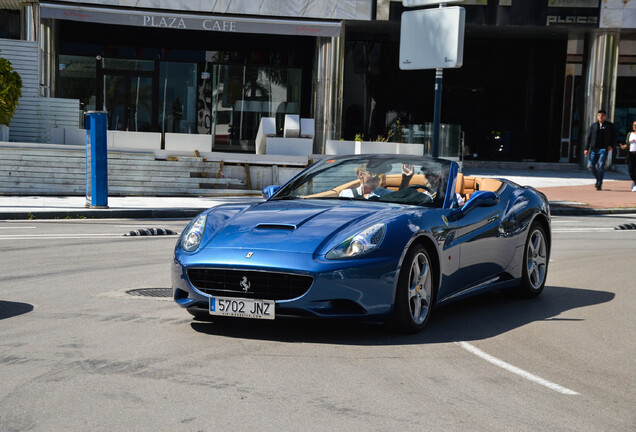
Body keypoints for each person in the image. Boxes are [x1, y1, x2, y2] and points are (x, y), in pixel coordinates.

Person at [339, 162, 414, 199]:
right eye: (374, 174)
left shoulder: (386, 194)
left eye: (380, 175)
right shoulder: (345, 194)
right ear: (361, 174)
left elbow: (399, 201)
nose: (378, 177)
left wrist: (406, 179)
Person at [584, 110, 618, 190]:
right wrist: (586, 148)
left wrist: (612, 145)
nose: (600, 117)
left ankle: (599, 183)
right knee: (591, 165)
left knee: (601, 165)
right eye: (599, 115)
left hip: (603, 149)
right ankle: (598, 179)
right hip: (593, 149)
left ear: (605, 116)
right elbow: (589, 137)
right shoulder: (594, 125)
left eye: (602, 115)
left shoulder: (610, 126)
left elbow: (615, 136)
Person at [620, 120, 636, 192]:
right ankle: (634, 181)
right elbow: (627, 144)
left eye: (635, 125)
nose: (634, 127)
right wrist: (624, 146)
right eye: (633, 125)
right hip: (630, 154)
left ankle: (635, 184)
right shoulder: (630, 134)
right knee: (630, 170)